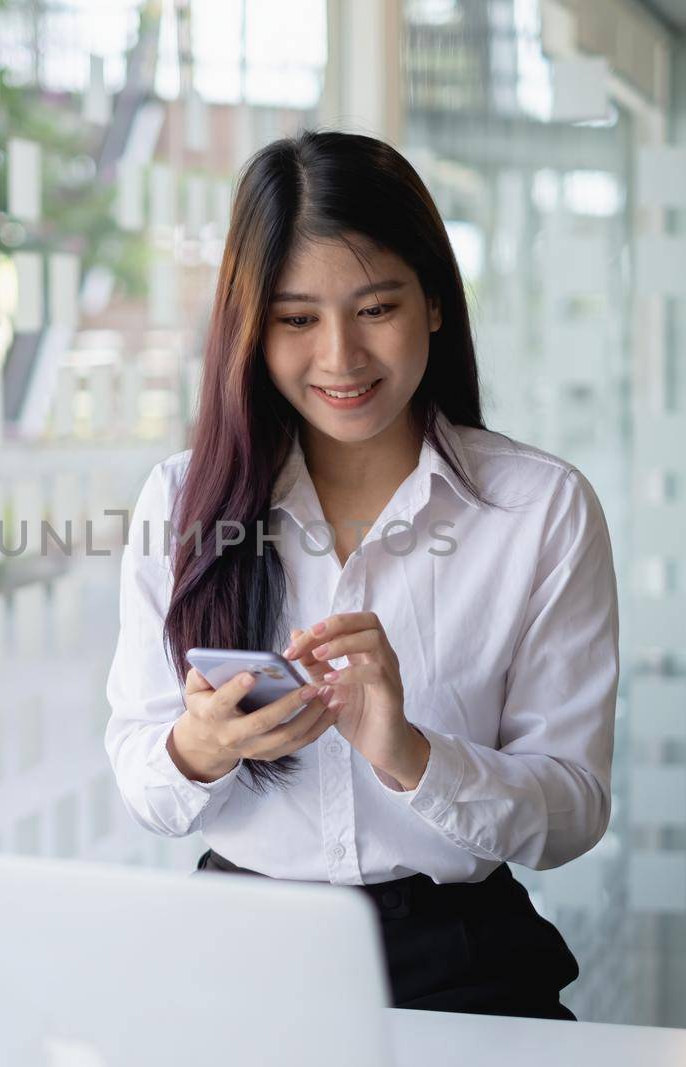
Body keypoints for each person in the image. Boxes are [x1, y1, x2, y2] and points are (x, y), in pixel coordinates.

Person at [103, 129, 618, 1019]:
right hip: (236, 956)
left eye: (375, 307)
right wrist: (204, 748)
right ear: (251, 331)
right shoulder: (181, 500)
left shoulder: (541, 509)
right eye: (297, 319)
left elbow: (572, 812)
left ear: (434, 305)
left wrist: (414, 756)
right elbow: (141, 770)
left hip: (461, 962)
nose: (340, 357)